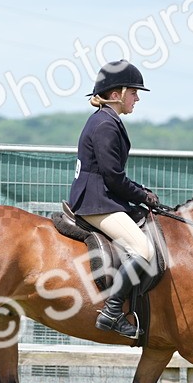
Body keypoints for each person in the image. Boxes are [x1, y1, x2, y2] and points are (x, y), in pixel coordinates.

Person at [68, 60, 160, 339]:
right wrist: (142, 195)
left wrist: (140, 192)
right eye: (133, 92)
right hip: (96, 202)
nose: (137, 98)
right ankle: (112, 311)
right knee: (143, 250)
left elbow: (114, 176)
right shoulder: (105, 124)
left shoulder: (106, 120)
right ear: (116, 94)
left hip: (101, 197)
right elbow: (113, 178)